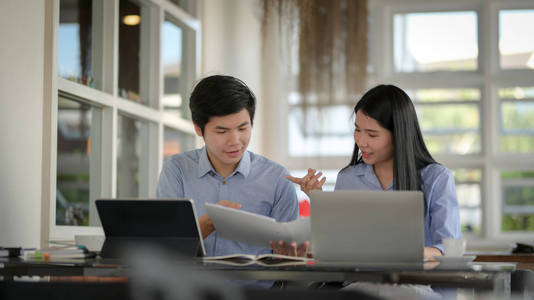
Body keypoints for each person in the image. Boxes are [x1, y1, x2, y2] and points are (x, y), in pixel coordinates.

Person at [280, 84, 462, 260]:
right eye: (357, 130)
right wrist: (320, 199)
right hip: (357, 284)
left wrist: (401, 252)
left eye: (372, 134)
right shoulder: (348, 178)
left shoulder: (437, 178)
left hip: (416, 285)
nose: (361, 141)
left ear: (399, 134)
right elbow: (339, 244)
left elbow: (449, 250)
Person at [157, 75, 299, 257]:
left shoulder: (278, 179)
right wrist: (206, 225)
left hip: (254, 285)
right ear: (198, 129)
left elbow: (289, 261)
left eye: (242, 128)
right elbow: (165, 250)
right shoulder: (176, 171)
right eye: (221, 131)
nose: (235, 141)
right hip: (191, 284)